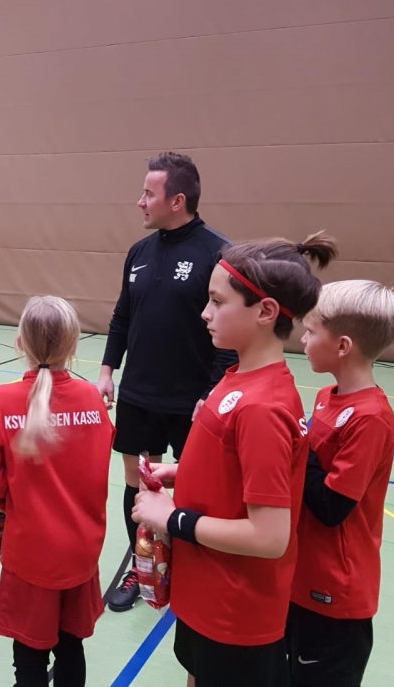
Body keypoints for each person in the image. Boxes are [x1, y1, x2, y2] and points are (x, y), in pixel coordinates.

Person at [132, 232, 338, 687]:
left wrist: (172, 518)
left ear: (265, 312)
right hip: (206, 597)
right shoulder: (238, 377)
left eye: (217, 301)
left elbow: (269, 536)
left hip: (235, 614)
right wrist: (182, 473)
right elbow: (239, 470)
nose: (204, 313)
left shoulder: (264, 406)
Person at [99, 151, 237, 612]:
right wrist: (107, 371)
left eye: (148, 193)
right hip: (139, 396)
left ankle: (192, 570)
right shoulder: (139, 252)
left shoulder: (218, 254)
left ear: (177, 201)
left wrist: (211, 394)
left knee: (197, 488)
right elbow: (123, 316)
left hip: (193, 403)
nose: (139, 202)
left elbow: (229, 336)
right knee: (138, 487)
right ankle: (141, 567)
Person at [0, 296, 115, 687]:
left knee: (29, 656)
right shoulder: (92, 399)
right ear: (73, 345)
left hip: (31, 552)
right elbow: (97, 465)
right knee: (71, 646)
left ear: (21, 342)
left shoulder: (1, 401)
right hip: (81, 548)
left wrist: (12, 505)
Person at [287, 280, 394, 687]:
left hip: (335, 592)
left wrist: (293, 442)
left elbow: (332, 505)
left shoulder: (370, 418)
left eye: (310, 331)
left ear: (342, 346)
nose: (303, 340)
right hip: (301, 574)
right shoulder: (327, 395)